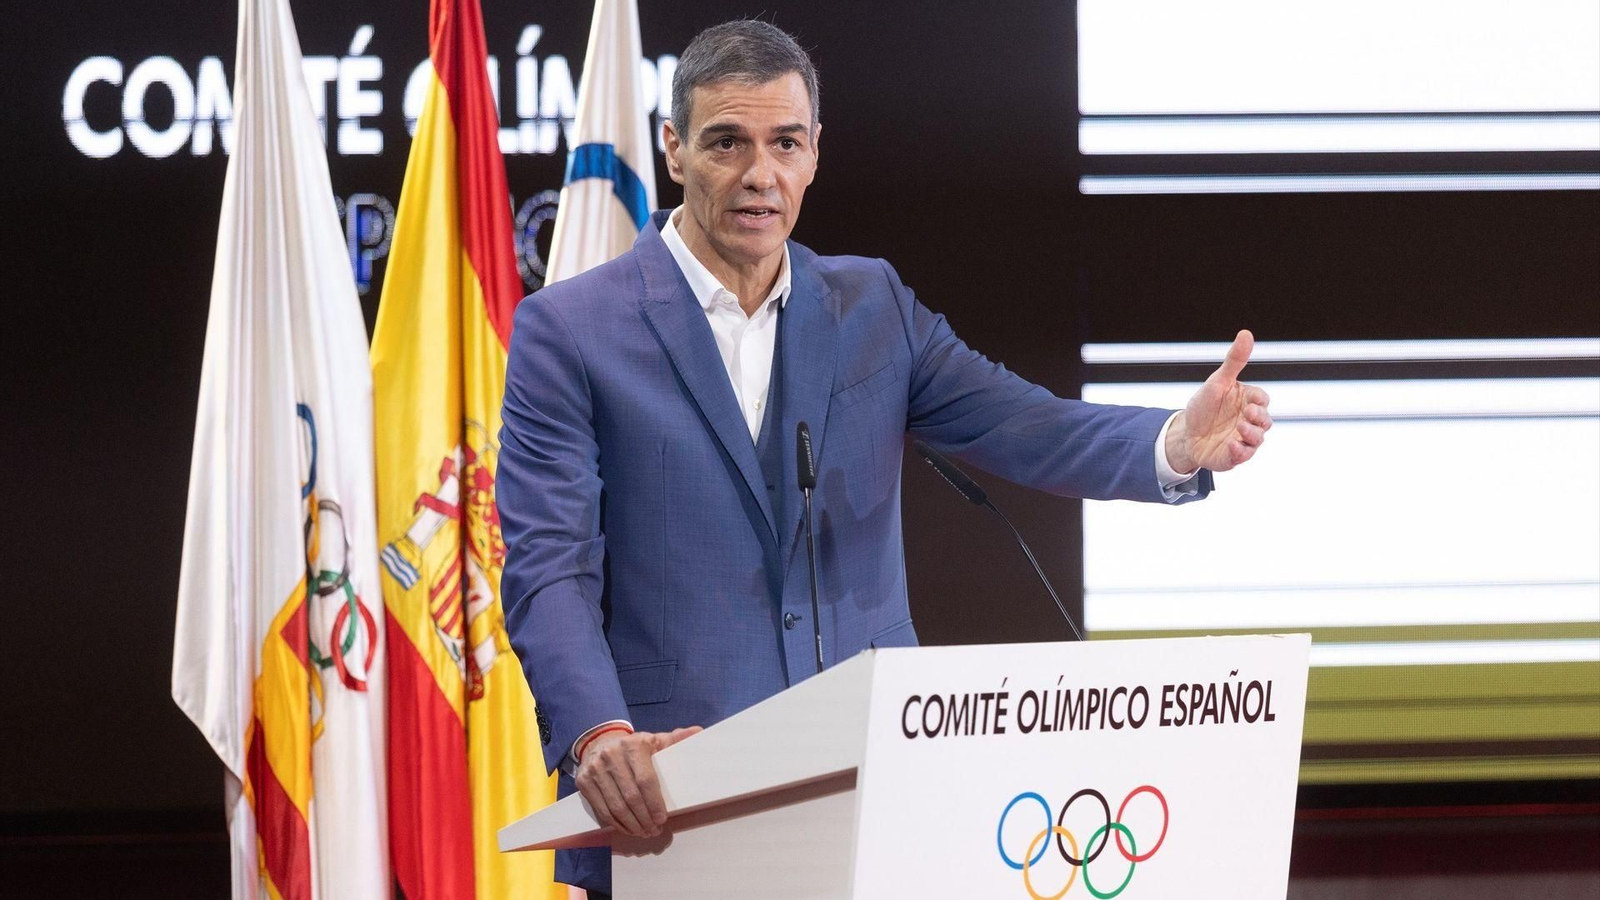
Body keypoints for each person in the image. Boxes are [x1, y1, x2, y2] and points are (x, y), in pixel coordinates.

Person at [497, 19, 1272, 896]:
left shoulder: (872, 308)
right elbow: (548, 569)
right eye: (727, 143)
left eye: (785, 143)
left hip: (876, 787)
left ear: (815, 153)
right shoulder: (571, 332)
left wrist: (1171, 441)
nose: (761, 174)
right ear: (674, 149)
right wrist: (600, 735)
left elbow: (1024, 424)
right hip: (677, 807)